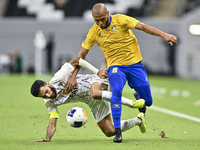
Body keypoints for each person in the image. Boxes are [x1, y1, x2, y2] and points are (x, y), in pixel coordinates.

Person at [64, 3, 178, 143]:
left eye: (103, 19)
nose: (100, 23)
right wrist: (73, 76)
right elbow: (80, 56)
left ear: (108, 14)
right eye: (96, 20)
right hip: (115, 67)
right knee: (116, 90)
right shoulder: (94, 32)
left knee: (148, 101)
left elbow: (142, 27)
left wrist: (164, 35)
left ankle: (138, 95)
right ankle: (118, 132)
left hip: (135, 65)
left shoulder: (121, 20)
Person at [30, 57, 146, 142]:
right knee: (109, 131)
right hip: (91, 101)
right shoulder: (50, 102)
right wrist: (47, 138)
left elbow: (77, 60)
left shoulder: (59, 77)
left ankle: (132, 103)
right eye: (44, 96)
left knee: (95, 93)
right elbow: (52, 123)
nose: (49, 95)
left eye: (46, 91)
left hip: (94, 82)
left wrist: (97, 72)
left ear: (48, 83)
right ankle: (138, 120)